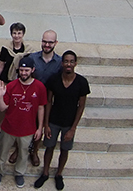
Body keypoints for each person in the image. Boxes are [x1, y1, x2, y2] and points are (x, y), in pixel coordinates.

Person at [35, 51, 90, 190]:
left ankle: (59, 174)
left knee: (65, 150)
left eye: (71, 61)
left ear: (75, 63)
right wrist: (46, 124)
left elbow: (81, 105)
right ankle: (45, 173)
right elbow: (48, 101)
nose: (68, 64)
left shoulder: (81, 82)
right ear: (62, 63)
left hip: (69, 123)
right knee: (49, 147)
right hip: (53, 120)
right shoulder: (54, 79)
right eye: (66, 61)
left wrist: (73, 128)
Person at [0, 57, 47, 188]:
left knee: (23, 154)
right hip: (9, 127)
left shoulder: (39, 87)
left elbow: (41, 107)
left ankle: (19, 173)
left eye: (26, 70)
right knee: (2, 153)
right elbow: (2, 108)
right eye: (21, 70)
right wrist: (0, 96)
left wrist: (40, 128)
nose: (23, 73)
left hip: (28, 129)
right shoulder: (11, 86)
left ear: (32, 70)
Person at [25, 30, 62, 166]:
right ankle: (19, 149)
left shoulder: (59, 62)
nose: (47, 45)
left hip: (47, 102)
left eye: (50, 42)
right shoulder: (32, 58)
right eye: (44, 41)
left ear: (55, 43)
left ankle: (34, 151)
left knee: (40, 127)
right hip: (30, 99)